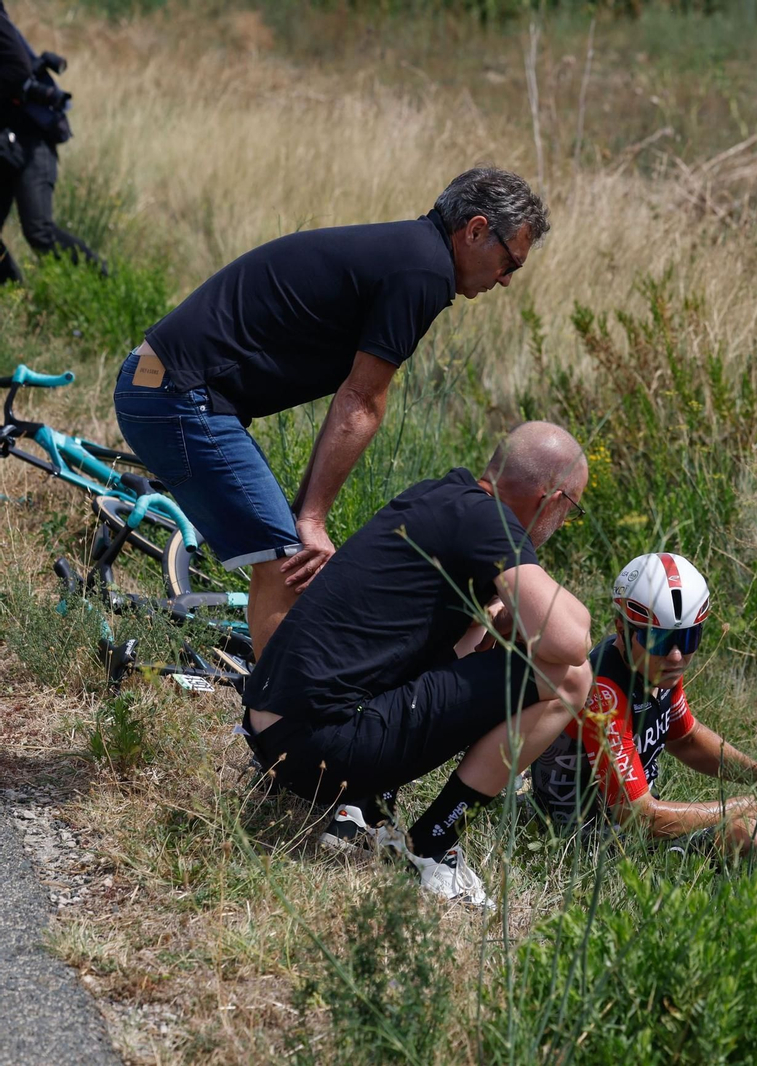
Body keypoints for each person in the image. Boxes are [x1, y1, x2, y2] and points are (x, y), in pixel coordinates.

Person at [114, 166, 548, 654]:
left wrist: (306, 512)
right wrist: (312, 519)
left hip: (160, 382)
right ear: (475, 230)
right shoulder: (423, 270)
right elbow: (362, 400)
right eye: (510, 262)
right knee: (289, 563)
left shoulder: (411, 252)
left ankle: (273, 698)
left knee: (287, 551)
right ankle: (278, 723)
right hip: (175, 393)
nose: (507, 280)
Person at [239, 421, 592, 908]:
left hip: (273, 730)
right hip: (320, 744)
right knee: (572, 679)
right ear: (551, 498)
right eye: (570, 509)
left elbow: (436, 645)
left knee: (479, 633)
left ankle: (362, 807)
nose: (563, 523)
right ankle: (435, 844)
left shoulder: (442, 495)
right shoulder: (492, 523)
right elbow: (571, 643)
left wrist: (494, 615)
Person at [528, 552, 757, 844]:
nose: (676, 656)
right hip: (583, 834)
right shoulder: (605, 692)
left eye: (688, 638)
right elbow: (639, 817)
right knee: (746, 836)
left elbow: (685, 738)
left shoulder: (657, 668)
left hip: (627, 820)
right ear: (622, 629)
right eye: (657, 640)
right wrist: (745, 804)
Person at [0, 0, 105, 284]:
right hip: (6, 144)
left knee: (40, 233)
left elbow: (18, 72)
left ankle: (105, 284)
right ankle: (14, 295)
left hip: (32, 140)